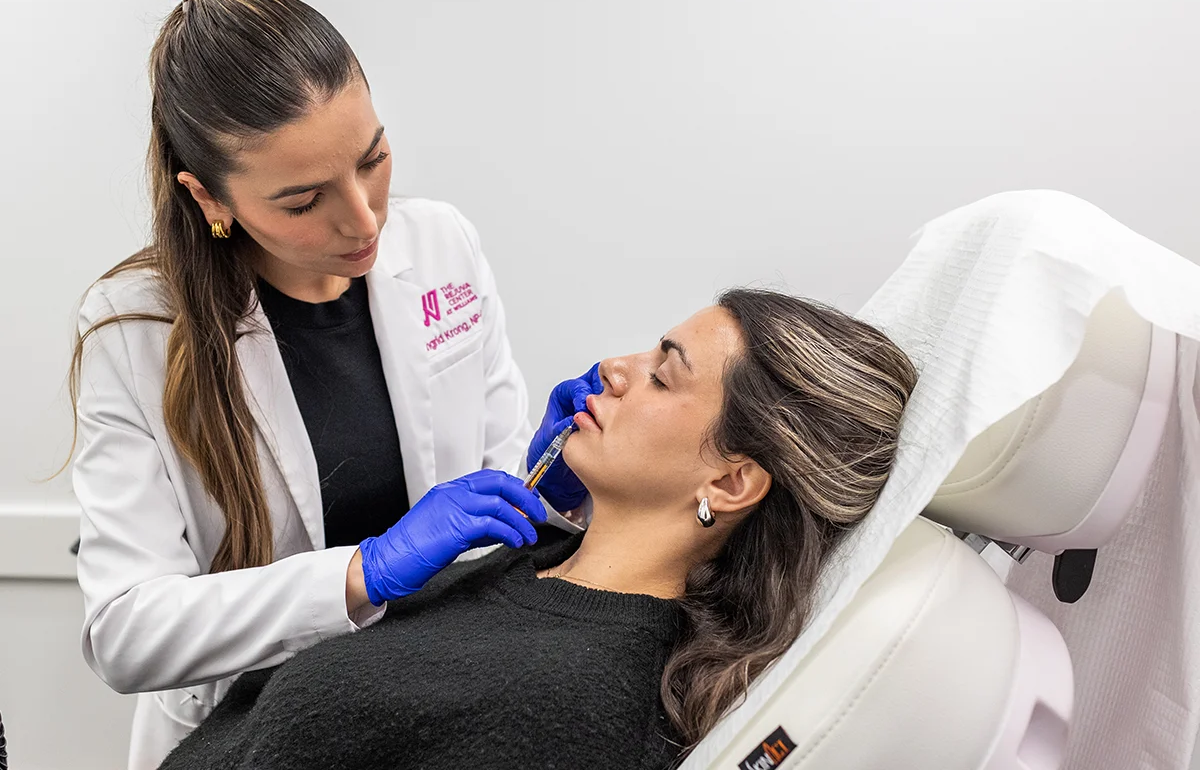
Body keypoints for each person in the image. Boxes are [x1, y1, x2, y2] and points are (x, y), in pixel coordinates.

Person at [65, 0, 600, 768]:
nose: (363, 217)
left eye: (373, 157)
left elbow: (480, 487)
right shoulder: (136, 329)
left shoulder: (442, 246)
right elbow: (125, 631)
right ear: (209, 198)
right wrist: (363, 573)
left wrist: (546, 484)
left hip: (428, 701)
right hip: (257, 734)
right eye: (303, 199)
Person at [157, 288, 919, 770]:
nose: (613, 367)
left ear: (728, 480)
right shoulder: (539, 563)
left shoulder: (574, 708)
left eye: (662, 372)